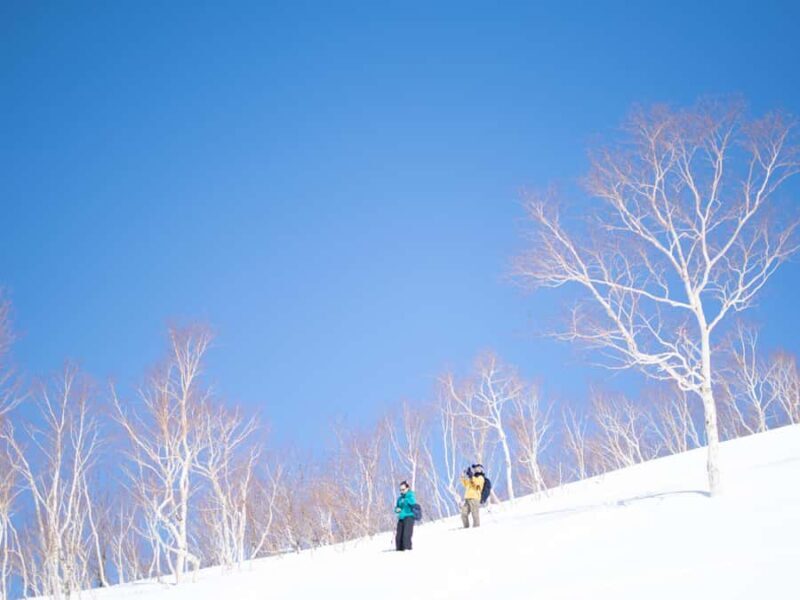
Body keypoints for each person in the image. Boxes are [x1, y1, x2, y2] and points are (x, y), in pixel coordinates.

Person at [460, 463, 485, 528]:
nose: (475, 469)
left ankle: (476, 529)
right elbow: (466, 484)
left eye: (477, 468)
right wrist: (463, 476)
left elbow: (477, 483)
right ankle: (466, 528)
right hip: (467, 499)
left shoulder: (481, 477)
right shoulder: (472, 478)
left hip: (475, 498)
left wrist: (471, 476)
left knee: (475, 515)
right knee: (463, 514)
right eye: (474, 468)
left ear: (481, 469)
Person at [394, 480, 416, 551]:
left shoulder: (410, 496)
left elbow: (413, 503)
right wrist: (397, 509)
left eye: (403, 489)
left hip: (409, 517)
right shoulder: (400, 499)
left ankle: (407, 549)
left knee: (406, 535)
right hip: (401, 518)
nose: (401, 491)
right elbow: (397, 507)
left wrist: (406, 499)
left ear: (407, 488)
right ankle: (399, 550)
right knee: (398, 537)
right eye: (400, 490)